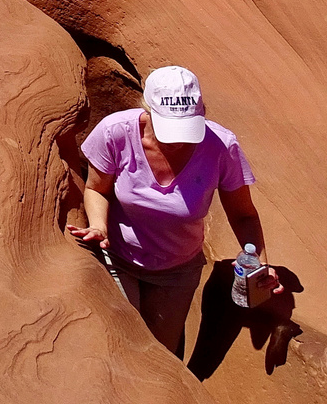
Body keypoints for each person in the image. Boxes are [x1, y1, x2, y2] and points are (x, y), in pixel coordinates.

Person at [66, 65, 281, 357]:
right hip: (118, 257)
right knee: (120, 346)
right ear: (147, 108)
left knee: (159, 356)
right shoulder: (115, 132)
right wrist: (99, 227)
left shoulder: (220, 146)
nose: (179, 139)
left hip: (177, 269)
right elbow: (96, 188)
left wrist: (256, 265)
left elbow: (244, 215)